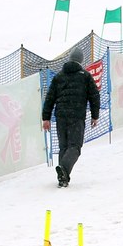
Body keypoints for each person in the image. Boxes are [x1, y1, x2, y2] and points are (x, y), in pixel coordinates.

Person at [41, 49, 100, 187]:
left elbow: (49, 98)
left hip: (61, 116)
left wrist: (46, 118)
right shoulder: (85, 76)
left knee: (64, 147)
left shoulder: (59, 77)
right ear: (80, 61)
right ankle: (64, 170)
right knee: (75, 147)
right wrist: (95, 116)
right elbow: (94, 96)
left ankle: (62, 178)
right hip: (76, 116)